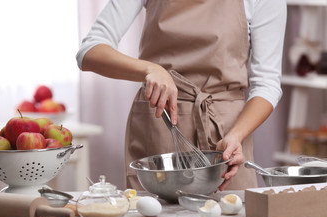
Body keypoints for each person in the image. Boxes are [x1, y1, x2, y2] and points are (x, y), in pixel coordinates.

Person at [76, 0, 287, 191]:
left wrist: (237, 135)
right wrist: (149, 69)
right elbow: (90, 51)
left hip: (227, 138)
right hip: (160, 125)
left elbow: (267, 84)